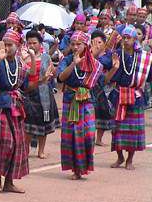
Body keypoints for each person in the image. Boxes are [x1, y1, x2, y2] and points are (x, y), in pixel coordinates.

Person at [0, 29, 35, 193]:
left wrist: (42, 79)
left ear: (18, 46)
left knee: (18, 144)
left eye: (11, 45)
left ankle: (9, 182)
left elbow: (26, 87)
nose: (8, 47)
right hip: (0, 107)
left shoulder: (21, 65)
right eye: (6, 44)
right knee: (5, 142)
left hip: (16, 107)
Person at [99, 25, 152, 170]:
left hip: (136, 97)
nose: (126, 40)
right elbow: (101, 65)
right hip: (118, 96)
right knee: (117, 130)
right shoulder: (116, 53)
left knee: (133, 131)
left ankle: (129, 160)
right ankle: (120, 157)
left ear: (135, 39)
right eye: (124, 37)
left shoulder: (143, 57)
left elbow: (149, 76)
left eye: (129, 37)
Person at [57, 31, 103, 180]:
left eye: (79, 44)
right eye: (73, 44)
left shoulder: (93, 63)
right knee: (72, 135)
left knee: (88, 135)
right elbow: (61, 78)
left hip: (87, 101)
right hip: (70, 100)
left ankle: (85, 166)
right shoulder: (67, 59)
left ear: (86, 45)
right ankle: (76, 170)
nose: (75, 47)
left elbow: (98, 82)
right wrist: (73, 64)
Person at [23, 31, 60, 159]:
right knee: (28, 124)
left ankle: (41, 151)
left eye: (35, 43)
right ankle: (25, 150)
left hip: (44, 94)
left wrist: (53, 72)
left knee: (44, 124)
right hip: (29, 93)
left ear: (40, 44)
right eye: (29, 43)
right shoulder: (24, 58)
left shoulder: (46, 57)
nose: (32, 45)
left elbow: (54, 74)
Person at [90, 30, 114, 146]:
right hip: (91, 87)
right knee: (91, 113)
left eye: (99, 42)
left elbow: (107, 63)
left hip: (104, 88)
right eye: (94, 42)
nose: (97, 45)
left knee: (103, 112)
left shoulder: (108, 56)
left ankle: (99, 139)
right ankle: (90, 137)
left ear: (104, 43)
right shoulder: (87, 54)